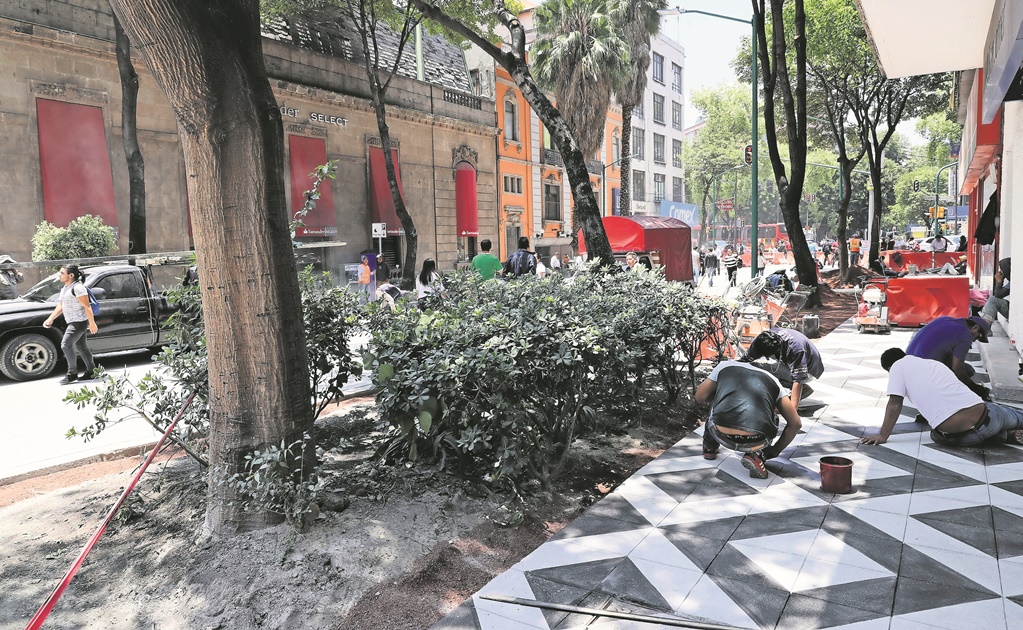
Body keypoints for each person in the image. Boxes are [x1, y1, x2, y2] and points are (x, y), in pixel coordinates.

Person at [862, 348, 1023, 447]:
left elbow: (895, 403)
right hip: (987, 417)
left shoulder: (897, 367)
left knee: (936, 435)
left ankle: (1005, 436)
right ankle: (1007, 427)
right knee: (1006, 412)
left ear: (889, 367)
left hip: (962, 437)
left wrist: (883, 435)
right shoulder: (933, 364)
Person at [696, 359, 803, 478]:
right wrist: (775, 450)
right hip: (757, 440)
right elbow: (796, 424)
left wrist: (721, 395)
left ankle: (709, 448)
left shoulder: (724, 366)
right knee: (772, 416)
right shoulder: (774, 381)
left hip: (720, 434)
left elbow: (699, 397)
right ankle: (757, 454)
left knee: (716, 405)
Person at [905, 315, 991, 400]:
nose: (974, 341)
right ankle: (941, 400)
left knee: (963, 369)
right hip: (922, 371)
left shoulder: (944, 319)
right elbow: (957, 368)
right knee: (968, 371)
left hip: (907, 364)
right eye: (978, 336)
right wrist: (974, 388)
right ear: (975, 328)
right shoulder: (965, 335)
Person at [43, 264, 98, 385]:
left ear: (71, 275)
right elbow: (61, 305)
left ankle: (72, 373)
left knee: (65, 345)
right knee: (82, 347)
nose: (60, 275)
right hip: (73, 321)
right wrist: (50, 318)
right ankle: (92, 371)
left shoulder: (78, 288)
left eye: (62, 273)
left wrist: (92, 323)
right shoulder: (65, 288)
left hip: (79, 322)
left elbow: (87, 306)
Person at [745, 328, 824, 406]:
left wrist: (792, 411)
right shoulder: (763, 338)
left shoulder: (796, 348)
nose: (767, 357)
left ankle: (800, 389)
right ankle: (796, 387)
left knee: (764, 369)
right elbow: (745, 360)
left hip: (809, 370)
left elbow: (798, 379)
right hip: (791, 361)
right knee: (754, 366)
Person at [981, 258, 1010, 323]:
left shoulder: (1015, 281)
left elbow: (998, 295)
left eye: (1002, 269)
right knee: (993, 299)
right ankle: (984, 326)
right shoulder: (1012, 281)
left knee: (993, 300)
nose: (1000, 271)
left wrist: (999, 281)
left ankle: (985, 329)